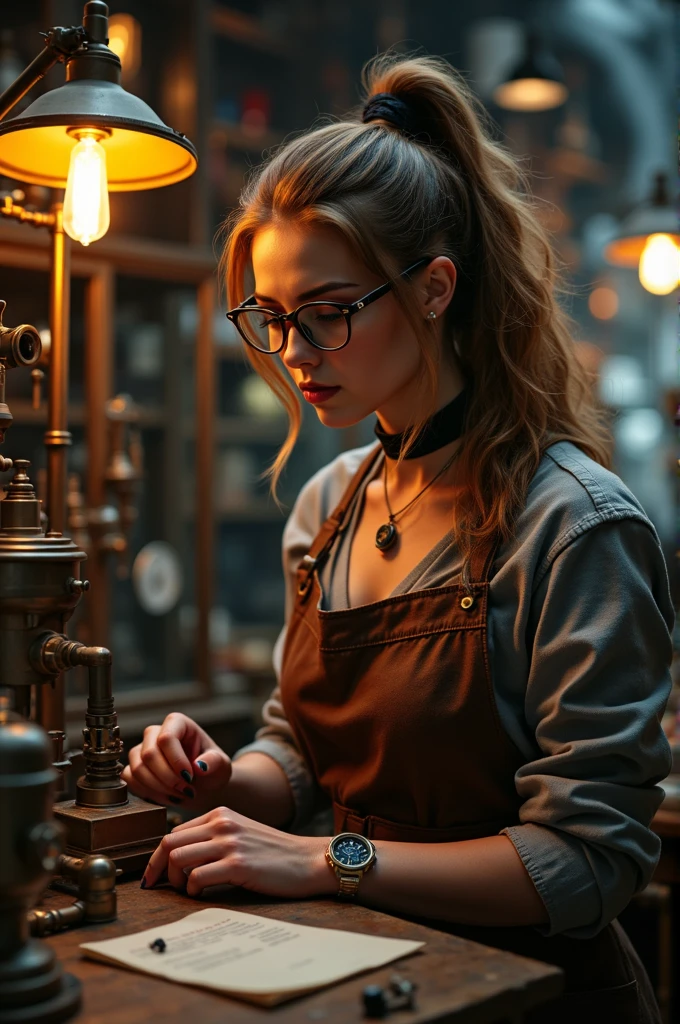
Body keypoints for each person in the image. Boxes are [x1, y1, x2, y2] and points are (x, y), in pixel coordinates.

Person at [123, 54, 673, 1023]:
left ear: (432, 288)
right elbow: (299, 752)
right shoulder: (326, 506)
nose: (293, 355)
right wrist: (224, 777)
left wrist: (324, 859)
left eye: (328, 313)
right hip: (369, 976)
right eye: (271, 317)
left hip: (533, 996)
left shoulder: (573, 524)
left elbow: (587, 863)